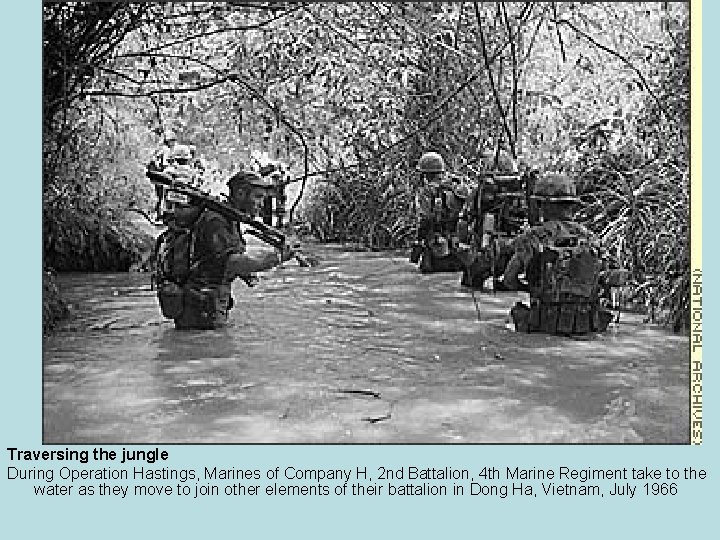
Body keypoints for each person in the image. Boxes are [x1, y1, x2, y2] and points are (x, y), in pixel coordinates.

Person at [153, 169, 294, 330]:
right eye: (258, 197)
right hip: (201, 307)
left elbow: (214, 258)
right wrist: (277, 258)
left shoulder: (227, 218)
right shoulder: (216, 221)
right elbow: (232, 261)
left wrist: (244, 273)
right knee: (208, 351)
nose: (262, 204)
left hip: (207, 303)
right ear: (240, 194)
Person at [495, 173, 621, 335]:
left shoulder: (532, 237)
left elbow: (509, 279)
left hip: (542, 324)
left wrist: (532, 289)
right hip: (586, 325)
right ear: (571, 205)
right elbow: (610, 279)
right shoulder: (592, 239)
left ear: (542, 205)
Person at [410, 151, 466, 273]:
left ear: (426, 174)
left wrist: (419, 240)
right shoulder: (457, 186)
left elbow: (425, 219)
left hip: (437, 252)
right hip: (460, 253)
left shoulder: (427, 192)